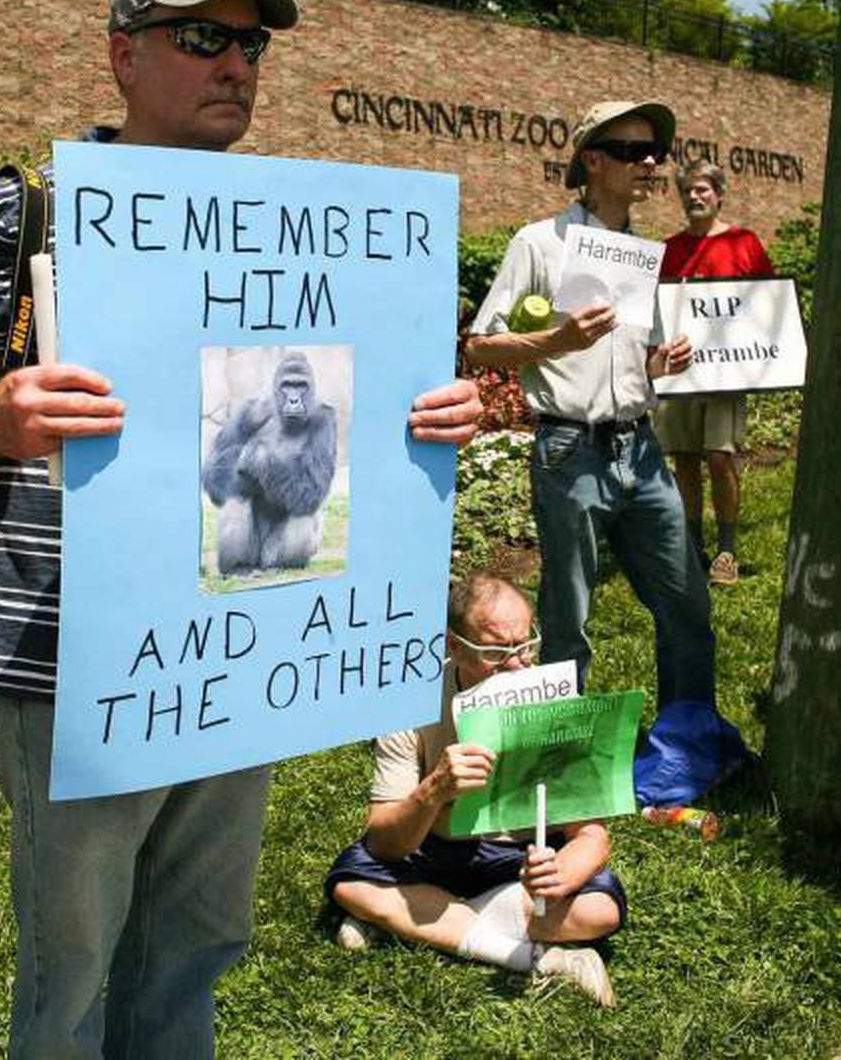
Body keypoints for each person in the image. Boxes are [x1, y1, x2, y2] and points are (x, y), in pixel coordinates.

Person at [0, 0, 482, 1059]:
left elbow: (351, 415)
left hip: (237, 652)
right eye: (201, 37)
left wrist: (431, 418)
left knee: (194, 951)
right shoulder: (30, 210)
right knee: (70, 972)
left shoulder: (306, 226)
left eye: (251, 44)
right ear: (123, 54)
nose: (236, 66)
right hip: (80, 665)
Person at [463, 99, 713, 700]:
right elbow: (478, 346)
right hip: (570, 449)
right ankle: (563, 754)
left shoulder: (640, 254)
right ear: (593, 161)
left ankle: (690, 734)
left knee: (686, 601)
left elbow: (637, 361)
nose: (650, 163)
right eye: (633, 152)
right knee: (567, 617)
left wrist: (661, 364)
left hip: (641, 448)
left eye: (655, 152)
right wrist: (558, 339)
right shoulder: (538, 243)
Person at [323, 574, 624, 1008]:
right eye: (497, 653)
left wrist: (563, 874)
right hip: (433, 851)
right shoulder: (410, 702)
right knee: (351, 885)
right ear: (454, 646)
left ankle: (415, 917)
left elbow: (592, 836)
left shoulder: (552, 697)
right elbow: (385, 842)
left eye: (526, 645)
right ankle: (537, 958)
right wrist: (433, 792)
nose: (518, 664)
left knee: (600, 910)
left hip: (521, 863)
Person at [653, 160, 775, 585]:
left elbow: (769, 305)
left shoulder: (744, 243)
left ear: (719, 194)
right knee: (684, 458)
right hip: (680, 370)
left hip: (727, 372)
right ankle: (692, 545)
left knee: (720, 457)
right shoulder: (667, 250)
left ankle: (727, 549)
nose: (694, 197)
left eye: (702, 189)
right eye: (687, 190)